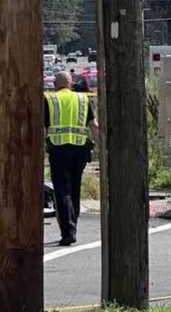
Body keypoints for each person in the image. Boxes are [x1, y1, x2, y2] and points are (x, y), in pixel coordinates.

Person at [45, 71, 98, 246]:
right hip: (80, 150)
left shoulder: (50, 100)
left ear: (55, 85)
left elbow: (42, 126)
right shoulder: (83, 99)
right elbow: (94, 125)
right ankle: (72, 226)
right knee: (75, 189)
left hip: (59, 149)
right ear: (71, 83)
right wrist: (101, 147)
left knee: (62, 190)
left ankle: (68, 232)